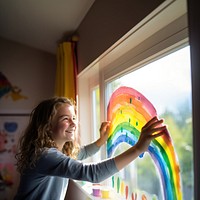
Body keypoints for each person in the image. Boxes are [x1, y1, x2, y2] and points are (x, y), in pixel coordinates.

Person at [14, 97, 166, 200]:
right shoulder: (45, 155)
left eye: (73, 118)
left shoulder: (60, 151)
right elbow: (92, 173)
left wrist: (101, 140)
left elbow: (83, 152)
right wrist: (138, 148)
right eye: (65, 119)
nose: (73, 124)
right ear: (47, 127)